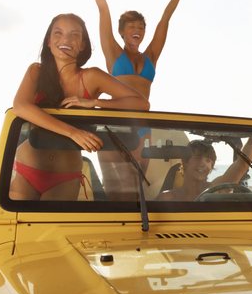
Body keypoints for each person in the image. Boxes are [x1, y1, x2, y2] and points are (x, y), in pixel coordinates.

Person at [10, 13, 150, 201]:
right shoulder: (36, 71)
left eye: (74, 34)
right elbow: (20, 106)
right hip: (25, 168)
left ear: (82, 45)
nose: (65, 39)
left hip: (64, 177)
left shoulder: (92, 77)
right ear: (49, 41)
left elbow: (142, 103)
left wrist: (95, 102)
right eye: (58, 33)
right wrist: (73, 132)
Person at [76, 0, 192, 100]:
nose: (137, 29)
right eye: (132, 26)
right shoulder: (113, 52)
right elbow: (103, 10)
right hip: (117, 120)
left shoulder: (151, 56)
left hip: (143, 121)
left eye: (141, 27)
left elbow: (165, 19)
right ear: (121, 32)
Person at [156, 138, 252, 201]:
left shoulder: (215, 191)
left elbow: (241, 164)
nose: (202, 164)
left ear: (211, 167)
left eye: (208, 160)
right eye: (197, 157)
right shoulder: (166, 198)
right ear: (185, 162)